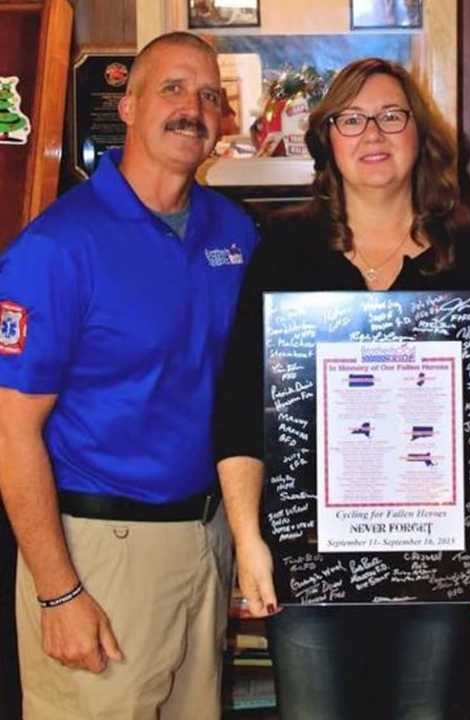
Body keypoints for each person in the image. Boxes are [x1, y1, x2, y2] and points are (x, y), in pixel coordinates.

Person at [214, 57, 470, 720]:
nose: (373, 133)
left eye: (391, 116)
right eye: (351, 118)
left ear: (419, 136)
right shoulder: (287, 249)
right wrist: (248, 537)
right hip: (308, 560)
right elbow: (238, 402)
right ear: (327, 139)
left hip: (436, 559)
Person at [0, 32, 258, 720]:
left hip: (207, 543)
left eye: (209, 95)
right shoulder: (56, 246)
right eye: (172, 88)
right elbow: (11, 432)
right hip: (99, 556)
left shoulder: (234, 232)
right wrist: (58, 593)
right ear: (131, 103)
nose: (192, 108)